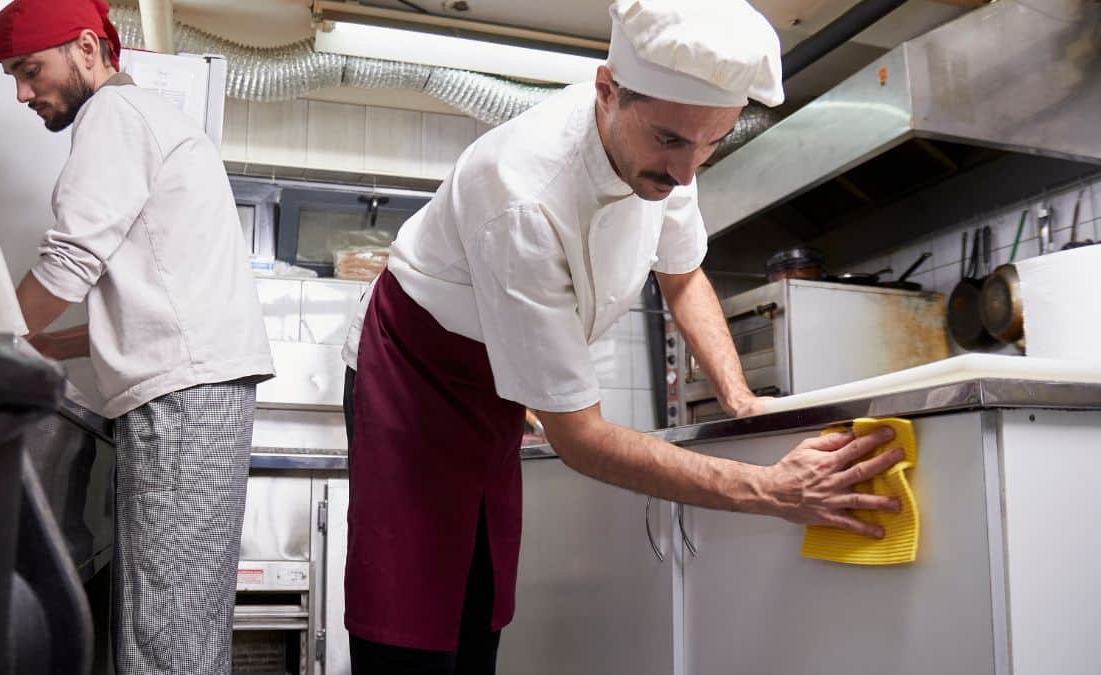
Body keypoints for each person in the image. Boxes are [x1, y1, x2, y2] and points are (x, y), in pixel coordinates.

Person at [339, 0, 906, 673]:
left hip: (493, 387)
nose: (689, 171)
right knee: (411, 615)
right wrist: (771, 491)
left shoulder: (675, 144)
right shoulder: (521, 193)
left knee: (479, 603)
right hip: (417, 377)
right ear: (607, 91)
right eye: (670, 141)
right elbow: (582, 439)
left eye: (712, 142)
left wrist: (741, 400)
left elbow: (683, 274)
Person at [0, 1, 274, 672]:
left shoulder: (114, 118)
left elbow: (69, 260)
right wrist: (41, 345)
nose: (23, 93)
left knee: (163, 634)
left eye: (31, 70)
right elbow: (147, 304)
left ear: (88, 49)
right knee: (183, 624)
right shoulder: (150, 119)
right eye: (12, 76)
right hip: (199, 397)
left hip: (182, 406)